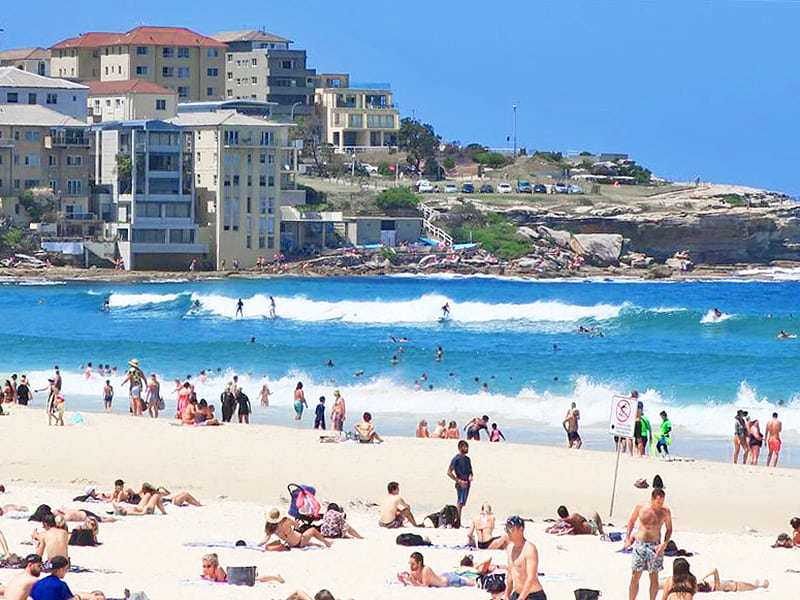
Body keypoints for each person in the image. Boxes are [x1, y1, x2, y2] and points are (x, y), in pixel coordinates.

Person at [624, 487, 672, 600]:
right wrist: (627, 539)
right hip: (640, 544)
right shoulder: (641, 507)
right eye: (658, 502)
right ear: (652, 499)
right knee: (635, 575)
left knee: (654, 576)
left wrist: (664, 543)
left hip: (655, 546)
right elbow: (631, 521)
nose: (660, 504)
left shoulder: (665, 511)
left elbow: (669, 529)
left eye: (662, 502)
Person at [505, 515, 546, 599]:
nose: (508, 533)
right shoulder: (509, 548)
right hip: (517, 594)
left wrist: (521, 598)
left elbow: (531, 577)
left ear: (521, 529)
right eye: (506, 529)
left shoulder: (529, 549)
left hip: (533, 595)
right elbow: (511, 573)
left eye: (511, 529)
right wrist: (507, 594)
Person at [258, 506, 332, 550]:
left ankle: (316, 544)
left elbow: (265, 540)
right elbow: (297, 525)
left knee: (309, 542)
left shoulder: (271, 528)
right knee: (312, 531)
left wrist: (257, 546)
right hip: (300, 541)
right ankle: (327, 543)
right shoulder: (286, 520)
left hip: (291, 544)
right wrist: (296, 523)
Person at [397, 551, 474, 587]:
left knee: (474, 583)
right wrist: (402, 579)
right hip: (442, 576)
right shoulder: (413, 570)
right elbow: (410, 583)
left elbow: (425, 586)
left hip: (449, 581)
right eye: (409, 563)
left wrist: (412, 581)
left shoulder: (426, 570)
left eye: (413, 564)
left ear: (419, 563)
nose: (410, 566)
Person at [447, 440, 473, 521]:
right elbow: (449, 472)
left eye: (467, 447)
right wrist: (458, 481)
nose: (467, 449)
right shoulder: (456, 459)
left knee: (462, 503)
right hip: (460, 483)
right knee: (460, 502)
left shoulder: (467, 459)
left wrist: (470, 476)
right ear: (460, 448)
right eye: (465, 447)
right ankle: (457, 520)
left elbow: (470, 471)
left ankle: (458, 519)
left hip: (467, 483)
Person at [696, 568, 768, 593]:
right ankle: (762, 586)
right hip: (737, 587)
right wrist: (703, 577)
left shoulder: (712, 585)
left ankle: (756, 585)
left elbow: (697, 586)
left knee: (750, 585)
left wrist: (701, 580)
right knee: (753, 588)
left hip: (735, 584)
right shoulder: (715, 586)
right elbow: (715, 570)